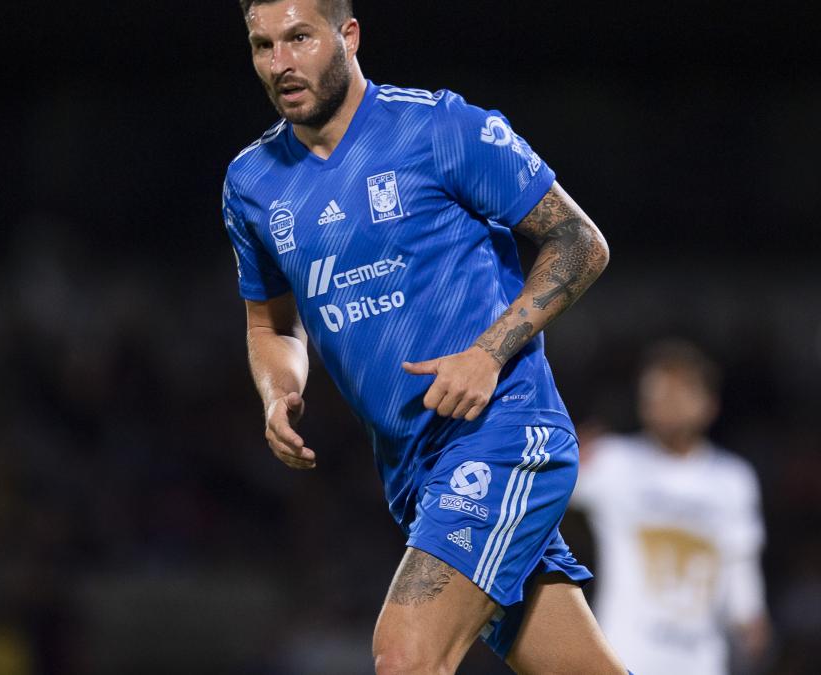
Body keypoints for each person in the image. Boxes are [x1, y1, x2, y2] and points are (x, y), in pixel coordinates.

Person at [222, 1, 628, 672]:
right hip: (415, 472)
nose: (280, 63)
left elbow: (580, 242)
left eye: (299, 38)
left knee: (405, 654)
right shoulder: (251, 183)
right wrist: (278, 390)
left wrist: (487, 353)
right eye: (263, 45)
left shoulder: (439, 126)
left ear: (347, 35)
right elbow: (270, 321)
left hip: (502, 434)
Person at [572, 340, 771, 674]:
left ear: (709, 404)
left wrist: (750, 614)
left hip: (700, 658)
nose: (666, 403)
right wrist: (563, 453)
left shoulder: (732, 479)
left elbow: (739, 557)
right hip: (624, 652)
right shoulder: (612, 460)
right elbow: (540, 488)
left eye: (679, 392)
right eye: (656, 392)